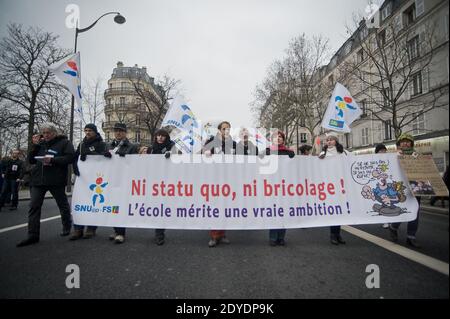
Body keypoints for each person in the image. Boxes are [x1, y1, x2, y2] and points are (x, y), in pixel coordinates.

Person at [17, 123, 75, 247]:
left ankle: (66, 226)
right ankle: (32, 235)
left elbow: (70, 158)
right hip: (38, 180)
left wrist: (53, 160)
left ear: (54, 132)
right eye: (44, 132)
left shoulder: (64, 143)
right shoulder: (41, 144)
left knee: (62, 204)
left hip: (55, 179)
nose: (46, 135)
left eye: (48, 132)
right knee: (34, 206)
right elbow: (31, 160)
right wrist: (35, 146)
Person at [70, 124, 108, 240]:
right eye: (85, 130)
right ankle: (78, 229)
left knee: (93, 203)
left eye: (90, 130)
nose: (87, 132)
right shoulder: (81, 145)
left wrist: (100, 155)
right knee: (80, 203)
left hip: (96, 178)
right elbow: (75, 158)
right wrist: (75, 167)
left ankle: (91, 228)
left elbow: (105, 159)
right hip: (83, 178)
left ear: (95, 132)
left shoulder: (101, 144)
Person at [202, 121, 236, 247]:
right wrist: (206, 153)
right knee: (215, 207)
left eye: (228, 128)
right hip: (214, 179)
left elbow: (243, 155)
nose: (226, 130)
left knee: (224, 207)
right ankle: (214, 236)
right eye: (224, 128)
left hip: (228, 180)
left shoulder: (232, 143)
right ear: (219, 130)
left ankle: (222, 234)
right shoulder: (211, 141)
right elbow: (202, 154)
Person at [140, 128, 175, 246]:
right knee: (156, 206)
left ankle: (160, 232)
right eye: (158, 136)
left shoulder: (172, 147)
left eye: (163, 136)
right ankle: (158, 231)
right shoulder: (151, 149)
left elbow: (180, 157)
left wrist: (172, 155)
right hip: (153, 182)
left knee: (163, 206)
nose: (160, 138)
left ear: (166, 137)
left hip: (167, 183)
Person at [106, 123, 139, 244]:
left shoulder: (131, 146)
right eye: (116, 131)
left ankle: (121, 233)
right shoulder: (109, 145)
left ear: (125, 132)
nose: (118, 133)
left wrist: (125, 158)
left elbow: (135, 163)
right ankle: (116, 230)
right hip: (111, 179)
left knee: (121, 206)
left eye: (120, 131)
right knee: (113, 206)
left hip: (124, 179)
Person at [389, 133, 421, 248]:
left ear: (411, 143)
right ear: (399, 144)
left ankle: (411, 237)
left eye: (408, 141)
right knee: (402, 210)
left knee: (414, 212)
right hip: (400, 188)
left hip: (415, 188)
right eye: (403, 141)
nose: (405, 143)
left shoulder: (417, 155)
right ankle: (393, 227)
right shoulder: (393, 156)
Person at [318, 132, 349, 245]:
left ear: (336, 141)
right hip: (329, 186)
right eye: (327, 140)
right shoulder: (323, 153)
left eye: (331, 139)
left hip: (341, 185)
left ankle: (338, 234)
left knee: (340, 211)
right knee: (334, 210)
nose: (329, 141)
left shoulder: (343, 152)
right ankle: (333, 234)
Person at [266, 131, 295, 246]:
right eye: (275, 137)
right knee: (274, 212)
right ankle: (273, 238)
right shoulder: (267, 151)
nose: (278, 139)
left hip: (285, 186)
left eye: (280, 137)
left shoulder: (289, 152)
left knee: (283, 213)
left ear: (283, 139)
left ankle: (281, 237)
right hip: (271, 186)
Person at [374, 144, 389, 229]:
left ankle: (388, 220)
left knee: (387, 201)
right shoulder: (373, 160)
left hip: (387, 184)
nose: (383, 152)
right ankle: (384, 221)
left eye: (384, 150)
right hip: (379, 185)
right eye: (381, 150)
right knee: (382, 201)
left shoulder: (388, 159)